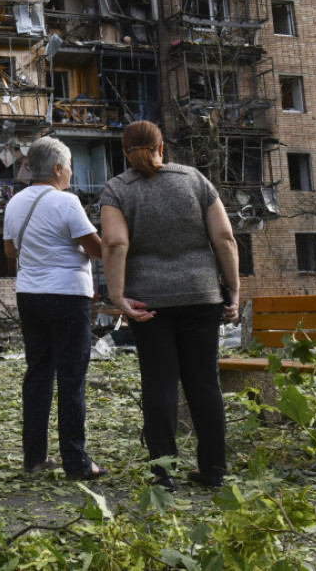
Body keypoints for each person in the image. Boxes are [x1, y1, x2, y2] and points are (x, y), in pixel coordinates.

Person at [100, 120, 239, 491]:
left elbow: (114, 244)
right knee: (203, 384)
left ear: (125, 151)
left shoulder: (117, 189)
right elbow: (224, 237)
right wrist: (234, 290)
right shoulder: (194, 179)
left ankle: (163, 475)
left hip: (149, 301)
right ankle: (213, 471)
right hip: (200, 294)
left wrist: (117, 296)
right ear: (162, 146)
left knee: (159, 384)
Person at [2, 137, 105, 480]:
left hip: (29, 296)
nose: (72, 173)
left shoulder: (15, 203)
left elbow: (9, 252)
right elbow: (96, 250)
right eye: (70, 166)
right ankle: (76, 462)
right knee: (72, 377)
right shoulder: (67, 202)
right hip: (67, 296)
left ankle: (34, 458)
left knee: (38, 374)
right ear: (58, 168)